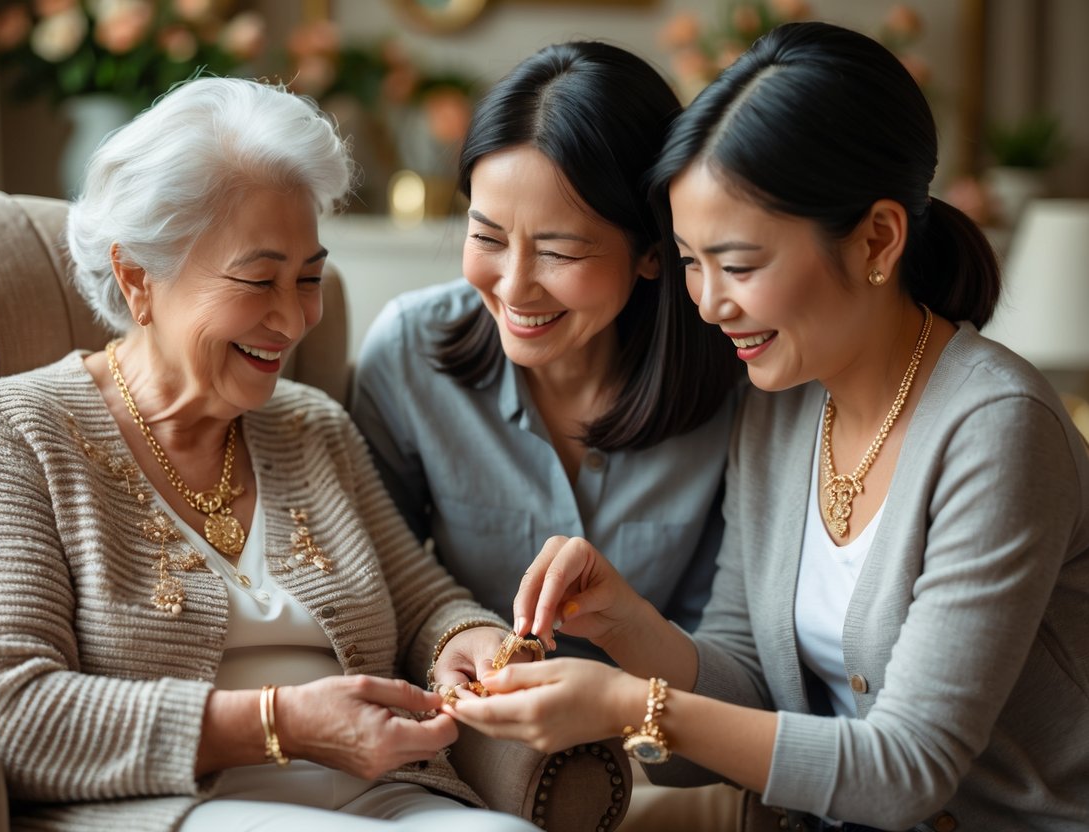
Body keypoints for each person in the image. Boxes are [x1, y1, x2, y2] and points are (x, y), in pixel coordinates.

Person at [446, 22, 1089, 832]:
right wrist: (626, 626)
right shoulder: (780, 403)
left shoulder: (997, 429)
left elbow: (910, 770)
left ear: (876, 239)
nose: (709, 304)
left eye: (740, 265)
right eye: (688, 261)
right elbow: (744, 698)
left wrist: (629, 702)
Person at [0, 77, 537, 831]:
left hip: (390, 797)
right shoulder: (16, 430)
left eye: (308, 277)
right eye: (257, 279)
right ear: (138, 277)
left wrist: (465, 641)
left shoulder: (312, 426)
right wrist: (283, 724)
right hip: (172, 810)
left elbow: (424, 604)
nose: (293, 318)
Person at [351, 41, 741, 662]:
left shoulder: (737, 376)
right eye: (487, 237)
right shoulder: (407, 353)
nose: (513, 286)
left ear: (651, 250)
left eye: (559, 252)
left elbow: (733, 650)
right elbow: (374, 590)